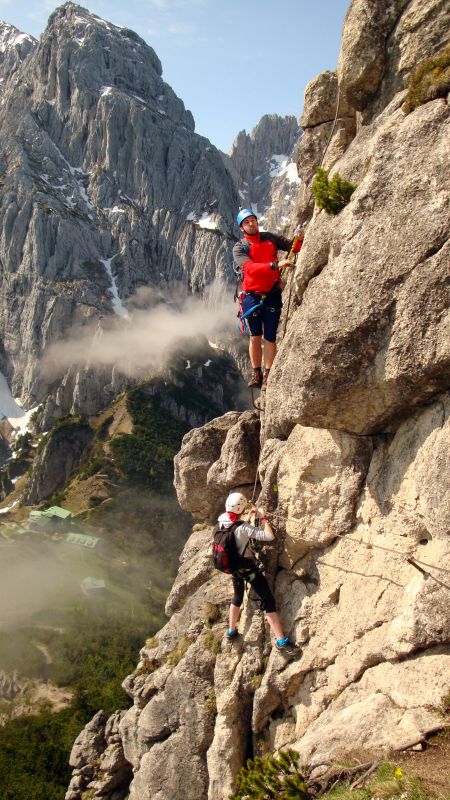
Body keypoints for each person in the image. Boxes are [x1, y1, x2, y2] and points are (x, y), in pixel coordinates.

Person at [233, 209, 303, 389]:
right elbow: (249, 268)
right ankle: (257, 373)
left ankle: (269, 374)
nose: (251, 224)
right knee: (255, 336)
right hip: (252, 297)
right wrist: (275, 265)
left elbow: (293, 247)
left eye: (253, 220)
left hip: (272, 294)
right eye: (247, 222)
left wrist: (300, 238)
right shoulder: (240, 247)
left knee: (270, 337)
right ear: (242, 228)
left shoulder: (270, 238)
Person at [218, 491, 295, 652]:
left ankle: (231, 631)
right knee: (268, 600)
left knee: (237, 597)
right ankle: (282, 641)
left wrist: (248, 518)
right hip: (248, 568)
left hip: (233, 568)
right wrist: (263, 517)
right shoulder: (244, 528)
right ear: (240, 508)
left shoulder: (221, 522)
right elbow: (269, 536)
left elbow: (235, 530)